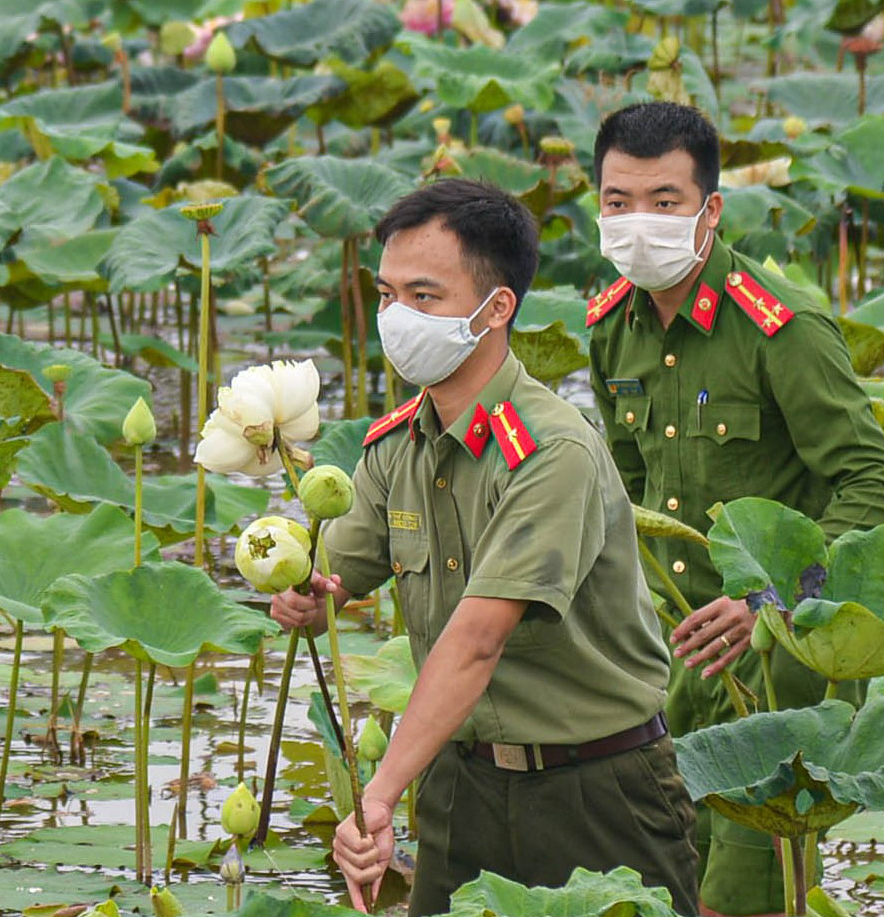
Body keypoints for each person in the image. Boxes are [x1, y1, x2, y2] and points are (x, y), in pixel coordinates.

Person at [270, 179, 699, 917]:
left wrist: (377, 794)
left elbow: (476, 640)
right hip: (459, 787)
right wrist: (303, 592)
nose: (397, 318)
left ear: (496, 308)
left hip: (595, 788)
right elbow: (335, 579)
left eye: (425, 297)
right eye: (387, 295)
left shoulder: (552, 450)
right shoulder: (395, 443)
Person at [584, 102, 884, 917]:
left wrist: (769, 599)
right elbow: (625, 495)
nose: (638, 223)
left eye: (664, 202)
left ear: (710, 209)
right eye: (618, 202)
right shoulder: (608, 328)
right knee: (658, 892)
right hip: (667, 663)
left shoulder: (782, 326)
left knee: (748, 901)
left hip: (776, 664)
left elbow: (876, 486)